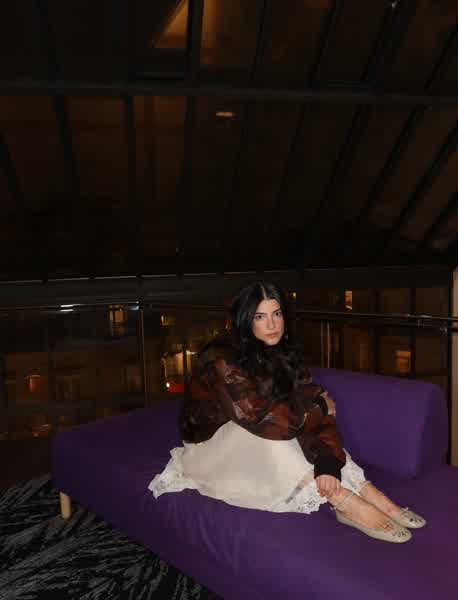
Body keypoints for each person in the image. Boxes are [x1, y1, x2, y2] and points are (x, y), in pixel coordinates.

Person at [149, 281, 426, 543]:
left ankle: (366, 490)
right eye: (260, 317)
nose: (272, 325)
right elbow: (264, 420)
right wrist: (316, 405)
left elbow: (309, 411)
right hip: (211, 450)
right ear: (245, 321)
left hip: (263, 428)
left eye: (277, 314)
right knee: (275, 434)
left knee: (299, 414)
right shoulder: (221, 359)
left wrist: (327, 462)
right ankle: (342, 500)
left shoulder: (283, 352)